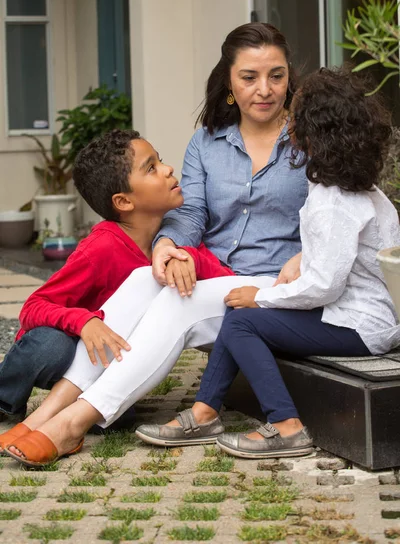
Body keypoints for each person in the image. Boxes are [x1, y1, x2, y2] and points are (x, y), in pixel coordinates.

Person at [2, 22, 309, 466]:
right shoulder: (207, 143)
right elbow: (191, 213)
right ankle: (46, 415)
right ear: (229, 81)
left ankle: (74, 423)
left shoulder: (310, 139)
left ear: (288, 77)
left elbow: (333, 211)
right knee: (145, 276)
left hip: (275, 285)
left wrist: (308, 253)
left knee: (176, 301)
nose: (264, 89)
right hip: (213, 273)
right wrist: (168, 246)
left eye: (276, 76)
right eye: (249, 77)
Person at [135, 66, 400, 458]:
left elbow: (324, 287)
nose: (286, 123)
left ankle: (286, 426)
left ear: (311, 134)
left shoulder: (332, 202)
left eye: (294, 117)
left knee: (242, 320)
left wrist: (261, 296)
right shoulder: (363, 191)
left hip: (361, 327)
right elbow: (344, 257)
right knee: (239, 314)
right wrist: (298, 260)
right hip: (363, 317)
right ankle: (205, 412)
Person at [0, 130, 234, 465]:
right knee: (48, 347)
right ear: (124, 202)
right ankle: (7, 400)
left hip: (110, 356)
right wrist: (84, 322)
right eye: (151, 168)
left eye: (160, 161)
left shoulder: (177, 240)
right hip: (68, 346)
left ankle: (63, 420)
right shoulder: (102, 247)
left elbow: (221, 283)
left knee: (118, 419)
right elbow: (34, 306)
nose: (169, 169)